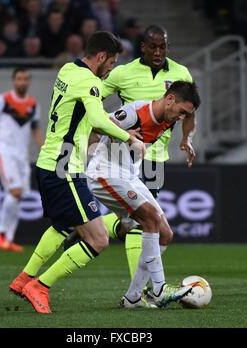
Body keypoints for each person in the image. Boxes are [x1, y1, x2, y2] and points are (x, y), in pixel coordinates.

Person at [9, 31, 145, 314]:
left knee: (64, 226)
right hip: (65, 169)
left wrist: (116, 130)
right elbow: (95, 117)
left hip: (50, 163)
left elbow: (85, 115)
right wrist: (130, 138)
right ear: (101, 57)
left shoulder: (68, 70)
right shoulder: (90, 81)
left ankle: (24, 278)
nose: (112, 68)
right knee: (98, 239)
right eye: (112, 62)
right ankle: (40, 286)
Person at [86, 81, 201, 308]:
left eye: (185, 115)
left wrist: (186, 140)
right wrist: (122, 133)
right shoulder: (133, 112)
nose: (181, 118)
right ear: (169, 99)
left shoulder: (168, 120)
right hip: (105, 173)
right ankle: (159, 289)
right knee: (150, 218)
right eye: (181, 112)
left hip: (128, 176)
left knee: (165, 234)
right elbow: (95, 125)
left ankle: (132, 298)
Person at [101, 24, 196, 281]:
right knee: (144, 223)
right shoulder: (122, 73)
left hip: (156, 160)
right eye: (152, 46)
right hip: (126, 155)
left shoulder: (181, 73)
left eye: (163, 47)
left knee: (139, 222)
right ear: (142, 47)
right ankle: (140, 290)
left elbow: (190, 112)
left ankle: (100, 226)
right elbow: (93, 97)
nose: (158, 52)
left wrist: (187, 138)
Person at [0, 68, 44, 252]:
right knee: (15, 191)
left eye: (25, 79)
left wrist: (46, 152)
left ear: (28, 81)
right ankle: (0, 231)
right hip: (4, 152)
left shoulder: (32, 104)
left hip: (22, 156)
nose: (22, 82)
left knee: (20, 196)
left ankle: (9, 239)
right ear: (14, 81)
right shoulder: (3, 100)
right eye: (19, 78)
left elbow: (36, 130)